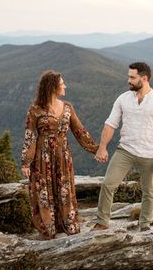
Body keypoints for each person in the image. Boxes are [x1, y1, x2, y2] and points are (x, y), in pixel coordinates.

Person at [93, 62, 153, 232]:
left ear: (144, 78)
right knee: (108, 184)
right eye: (129, 76)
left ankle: (145, 225)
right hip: (125, 150)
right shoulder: (123, 99)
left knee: (149, 191)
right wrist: (102, 147)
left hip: (150, 153)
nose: (129, 80)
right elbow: (111, 124)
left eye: (132, 77)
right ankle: (102, 222)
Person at [21, 70, 99, 239]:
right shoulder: (35, 110)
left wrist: (96, 149)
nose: (65, 86)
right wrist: (26, 162)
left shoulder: (68, 107)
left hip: (63, 157)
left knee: (64, 189)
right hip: (42, 159)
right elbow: (30, 137)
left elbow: (80, 131)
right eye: (62, 83)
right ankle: (49, 228)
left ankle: (67, 224)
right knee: (44, 192)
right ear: (52, 87)